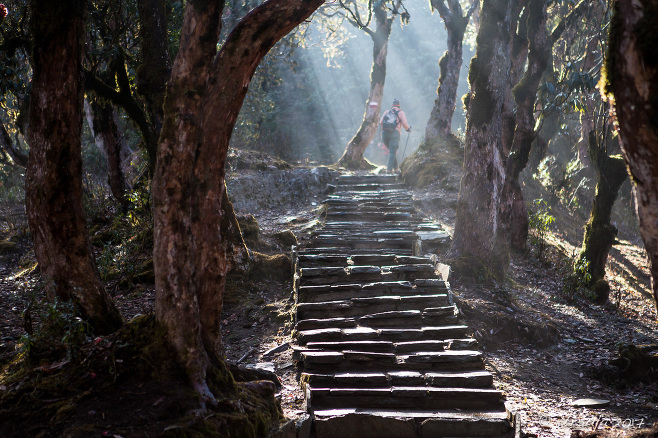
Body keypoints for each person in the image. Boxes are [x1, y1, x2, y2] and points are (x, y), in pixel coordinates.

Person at [379, 99, 411, 173]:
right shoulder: (401, 112)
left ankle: (396, 169)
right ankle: (389, 170)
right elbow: (404, 124)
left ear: (392, 106)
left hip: (384, 134)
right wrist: (408, 129)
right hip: (394, 134)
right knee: (392, 152)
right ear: (399, 106)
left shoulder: (387, 112)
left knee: (391, 151)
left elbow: (381, 122)